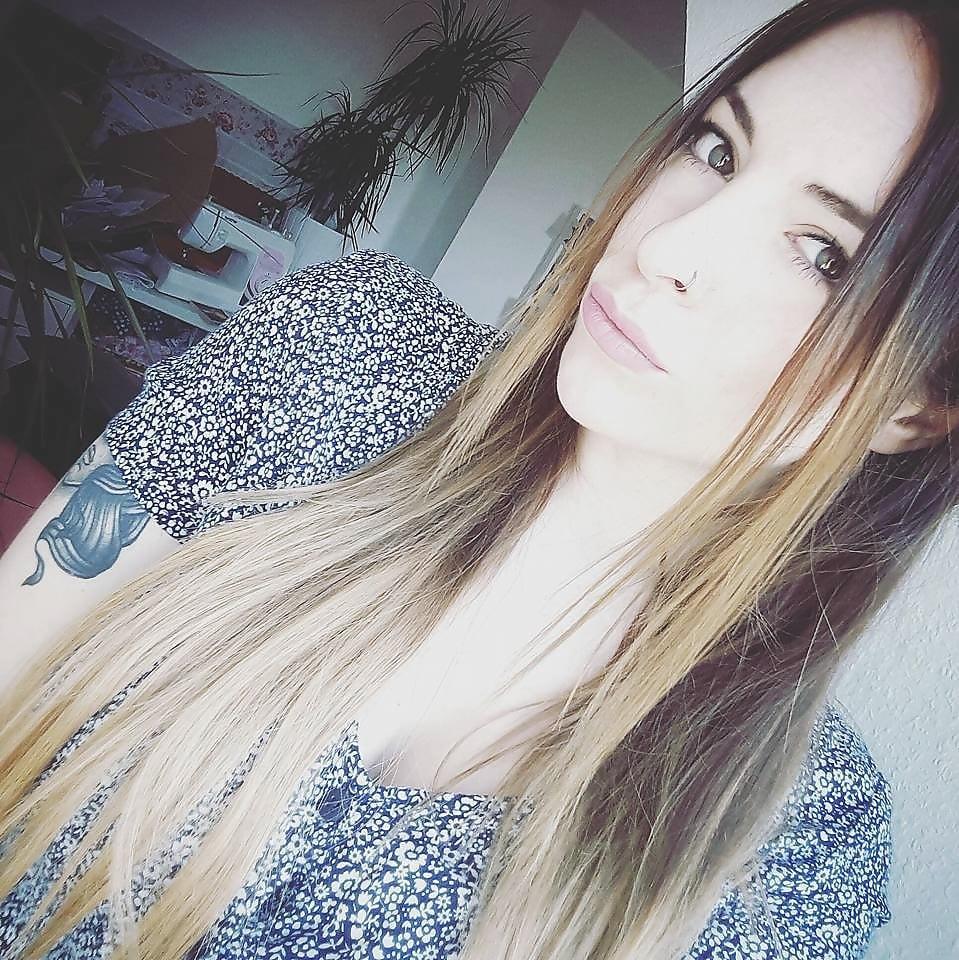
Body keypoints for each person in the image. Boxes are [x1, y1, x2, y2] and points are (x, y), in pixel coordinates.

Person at [0, 0, 955, 957]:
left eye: (825, 256)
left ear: (916, 408)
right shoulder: (345, 347)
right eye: (715, 150)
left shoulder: (798, 849)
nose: (665, 248)